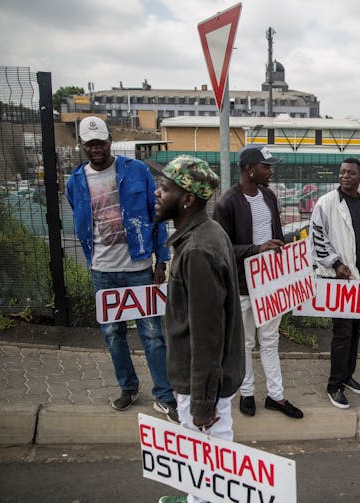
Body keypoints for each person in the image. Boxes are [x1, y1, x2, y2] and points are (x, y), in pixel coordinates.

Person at [65, 116, 177, 422]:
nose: (96, 148)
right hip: (102, 269)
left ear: (109, 140)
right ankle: (128, 388)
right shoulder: (75, 182)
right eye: (90, 144)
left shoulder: (136, 171)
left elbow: (157, 215)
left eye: (100, 142)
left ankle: (164, 396)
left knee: (152, 333)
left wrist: (161, 260)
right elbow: (82, 217)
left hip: (138, 266)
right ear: (82, 145)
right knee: (113, 334)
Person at [154, 156, 244, 503]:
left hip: (203, 381)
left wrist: (203, 403)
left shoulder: (197, 251)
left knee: (212, 455)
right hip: (205, 378)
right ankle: (196, 497)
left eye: (165, 188)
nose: (158, 194)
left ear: (188, 198)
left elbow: (207, 336)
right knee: (202, 455)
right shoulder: (203, 234)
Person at [213, 144, 303, 419]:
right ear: (249, 169)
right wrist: (257, 248)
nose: (271, 171)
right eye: (267, 166)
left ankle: (276, 396)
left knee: (270, 340)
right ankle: (247, 393)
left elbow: (275, 234)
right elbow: (221, 247)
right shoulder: (226, 202)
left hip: (269, 283)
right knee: (245, 343)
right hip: (241, 285)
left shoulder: (269, 196)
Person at [310, 158, 360, 409]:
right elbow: (318, 238)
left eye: (351, 173)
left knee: (355, 331)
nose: (345, 176)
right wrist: (336, 264)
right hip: (340, 279)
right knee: (342, 333)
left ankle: (347, 375)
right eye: (342, 172)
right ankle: (334, 385)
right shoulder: (326, 203)